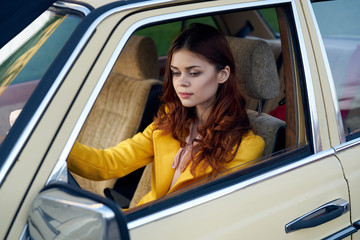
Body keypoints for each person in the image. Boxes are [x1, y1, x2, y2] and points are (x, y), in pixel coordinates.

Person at [67, 24, 265, 207]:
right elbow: (108, 163)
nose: (181, 82)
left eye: (194, 73)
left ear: (223, 74)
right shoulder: (169, 121)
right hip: (139, 221)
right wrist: (56, 146)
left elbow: (210, 212)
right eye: (175, 72)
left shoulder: (246, 147)